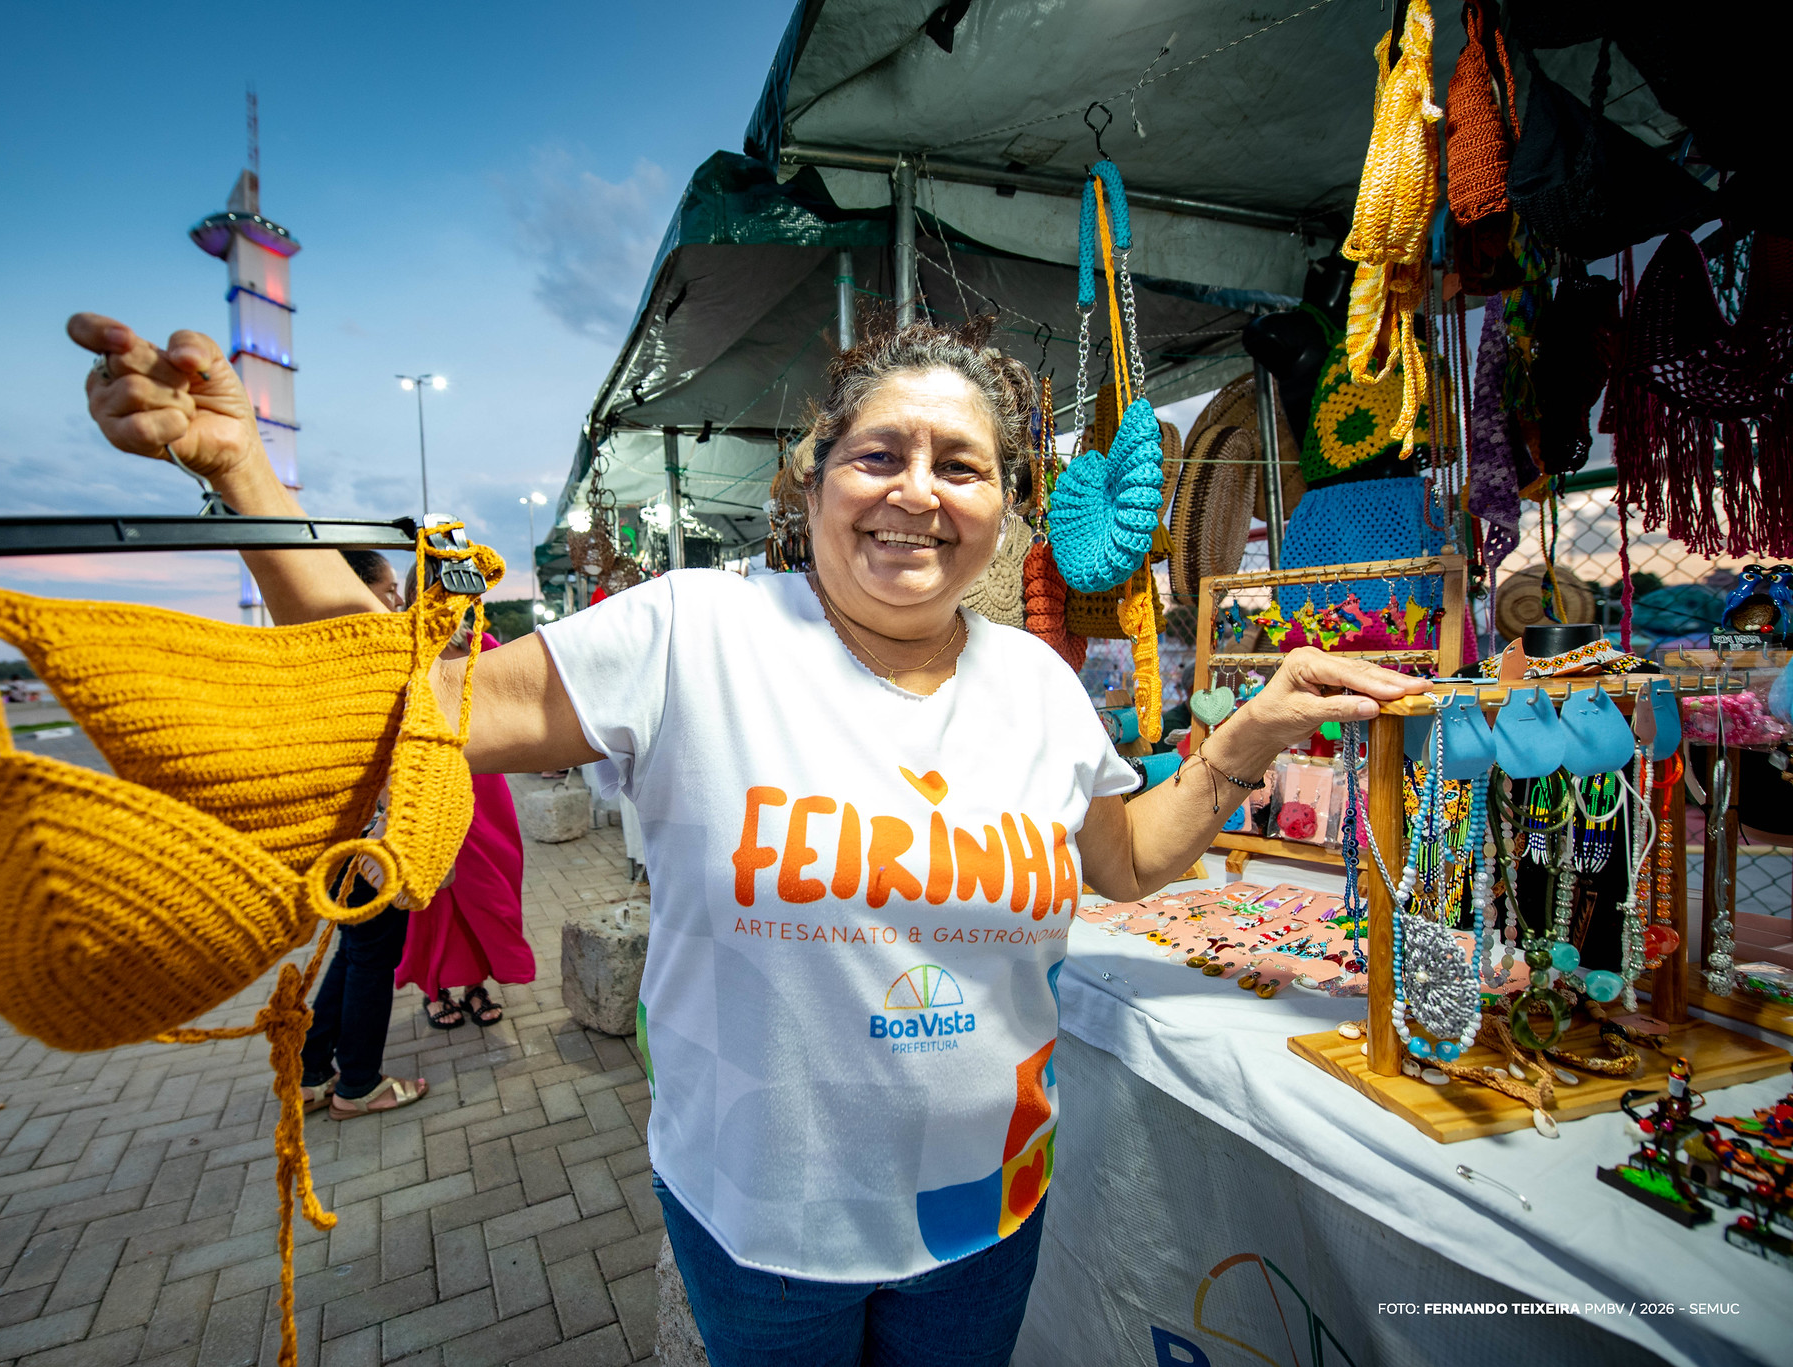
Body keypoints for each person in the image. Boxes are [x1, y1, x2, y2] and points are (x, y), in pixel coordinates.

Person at [71, 310, 1425, 1365]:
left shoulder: (1037, 684)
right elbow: (404, 704)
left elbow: (1121, 858)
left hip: (986, 1211)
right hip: (766, 1229)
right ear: (815, 475)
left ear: (1005, 502)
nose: (917, 491)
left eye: (960, 465)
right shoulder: (694, 632)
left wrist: (1243, 743)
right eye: (879, 453)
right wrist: (242, 474)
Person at [292, 548, 428, 1118]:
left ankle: (311, 1070)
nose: (396, 601)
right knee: (372, 955)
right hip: (369, 837)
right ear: (355, 589)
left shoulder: (319, 651)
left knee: (355, 948)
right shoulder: (365, 658)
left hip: (339, 835)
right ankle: (359, 1084)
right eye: (389, 589)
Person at [395, 585, 535, 1031]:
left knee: (494, 886)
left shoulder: (481, 644)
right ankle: (434, 988)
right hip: (428, 784)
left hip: (485, 787)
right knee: (436, 895)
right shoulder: (402, 646)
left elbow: (514, 704)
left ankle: (476, 983)